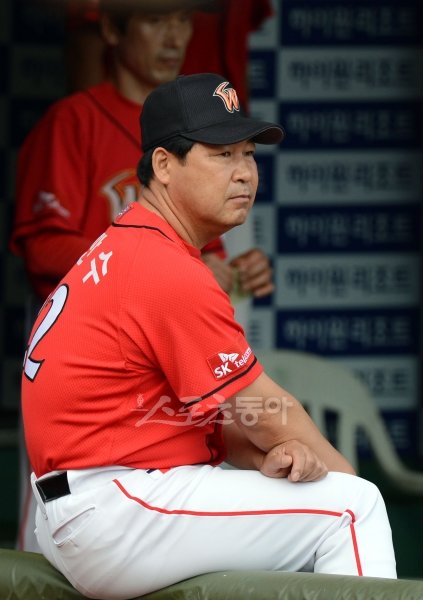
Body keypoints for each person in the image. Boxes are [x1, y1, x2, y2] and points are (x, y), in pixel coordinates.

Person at [24, 73, 396, 600]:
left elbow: (190, 416)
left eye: (249, 155)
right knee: (354, 507)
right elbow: (268, 412)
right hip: (115, 507)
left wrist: (265, 454)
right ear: (163, 165)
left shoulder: (128, 243)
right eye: (221, 155)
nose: (244, 172)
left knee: (310, 511)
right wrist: (343, 479)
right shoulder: (163, 265)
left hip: (88, 507)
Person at [11, 0, 273, 551]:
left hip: (165, 392)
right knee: (55, 547)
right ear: (111, 28)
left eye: (183, 20)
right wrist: (137, 261)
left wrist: (231, 271)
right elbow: (40, 246)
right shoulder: (74, 121)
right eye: (156, 20)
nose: (174, 36)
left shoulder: (202, 141)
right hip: (88, 383)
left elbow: (200, 259)